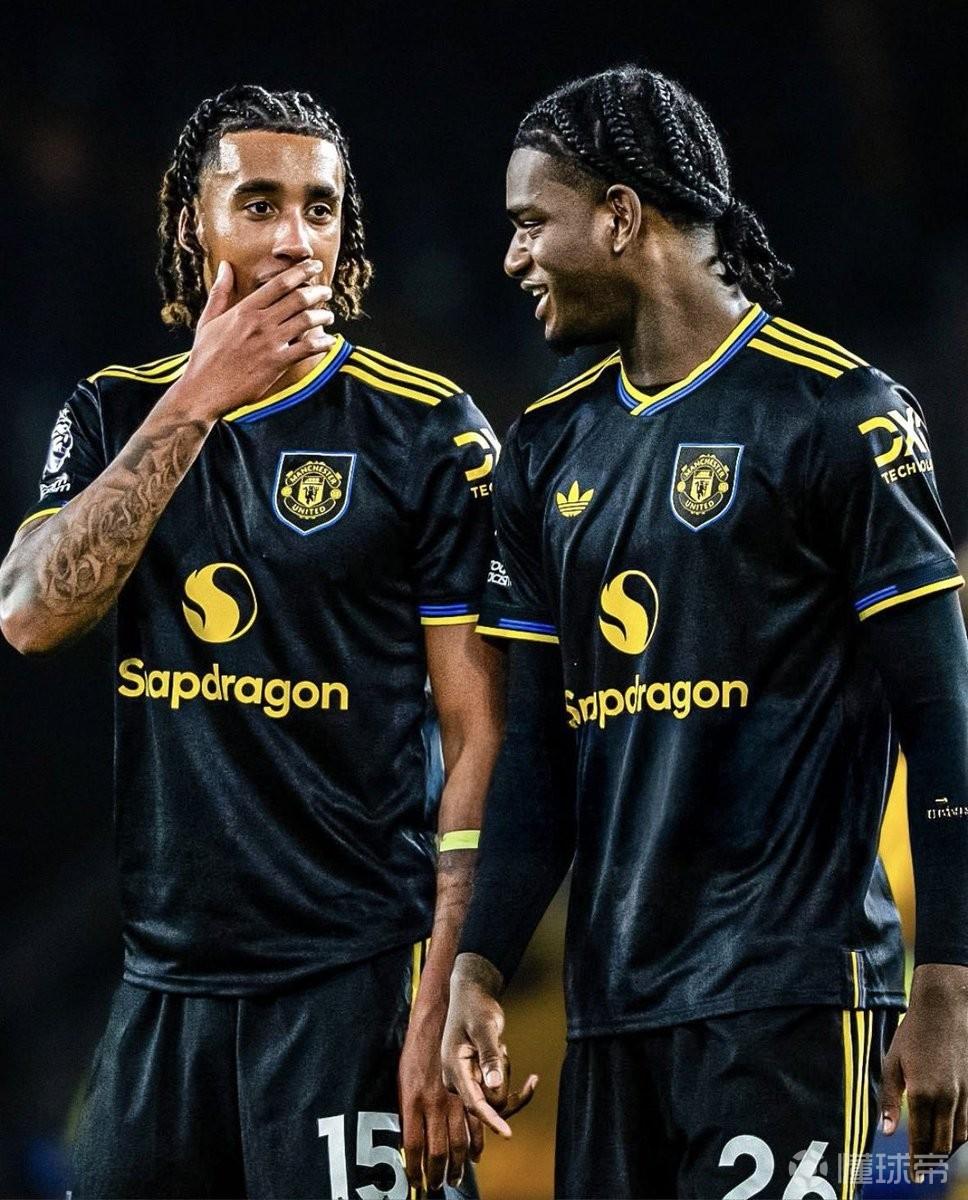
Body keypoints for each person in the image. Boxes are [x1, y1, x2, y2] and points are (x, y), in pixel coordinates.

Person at [442, 66, 968, 1199]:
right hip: (611, 1014)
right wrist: (477, 966)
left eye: (531, 221)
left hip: (788, 1001)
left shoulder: (840, 416)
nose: (514, 256)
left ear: (620, 217)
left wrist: (947, 986)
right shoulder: (544, 450)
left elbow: (941, 718)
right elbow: (537, 756)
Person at [0, 84, 502, 1199]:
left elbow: (481, 736)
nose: (293, 239)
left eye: (320, 208)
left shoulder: (427, 432)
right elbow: (31, 614)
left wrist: (444, 993)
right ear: (196, 222)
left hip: (354, 986)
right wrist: (199, 397)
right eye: (260, 203)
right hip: (162, 988)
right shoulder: (110, 412)